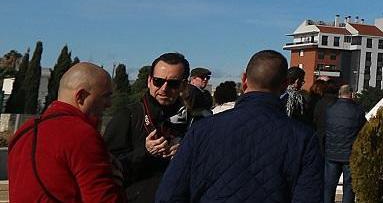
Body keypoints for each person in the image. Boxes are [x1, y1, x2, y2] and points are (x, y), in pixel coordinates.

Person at [155, 50, 322, 202]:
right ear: (285, 84)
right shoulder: (303, 138)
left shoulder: (202, 130)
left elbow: (170, 193)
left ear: (244, 80)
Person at [9, 62, 125, 203]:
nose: (109, 104)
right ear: (81, 97)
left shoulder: (24, 131)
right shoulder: (82, 134)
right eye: (105, 96)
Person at [105, 52, 195, 203]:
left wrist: (185, 152)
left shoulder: (192, 121)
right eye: (158, 81)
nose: (164, 88)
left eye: (173, 83)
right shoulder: (128, 116)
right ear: (149, 81)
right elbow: (106, 167)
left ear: (184, 85)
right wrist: (145, 152)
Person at [323, 85, 366, 203]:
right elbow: (364, 129)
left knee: (328, 188)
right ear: (351, 94)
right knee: (349, 188)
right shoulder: (358, 110)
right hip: (350, 155)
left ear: (339, 94)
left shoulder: (330, 108)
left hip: (331, 154)